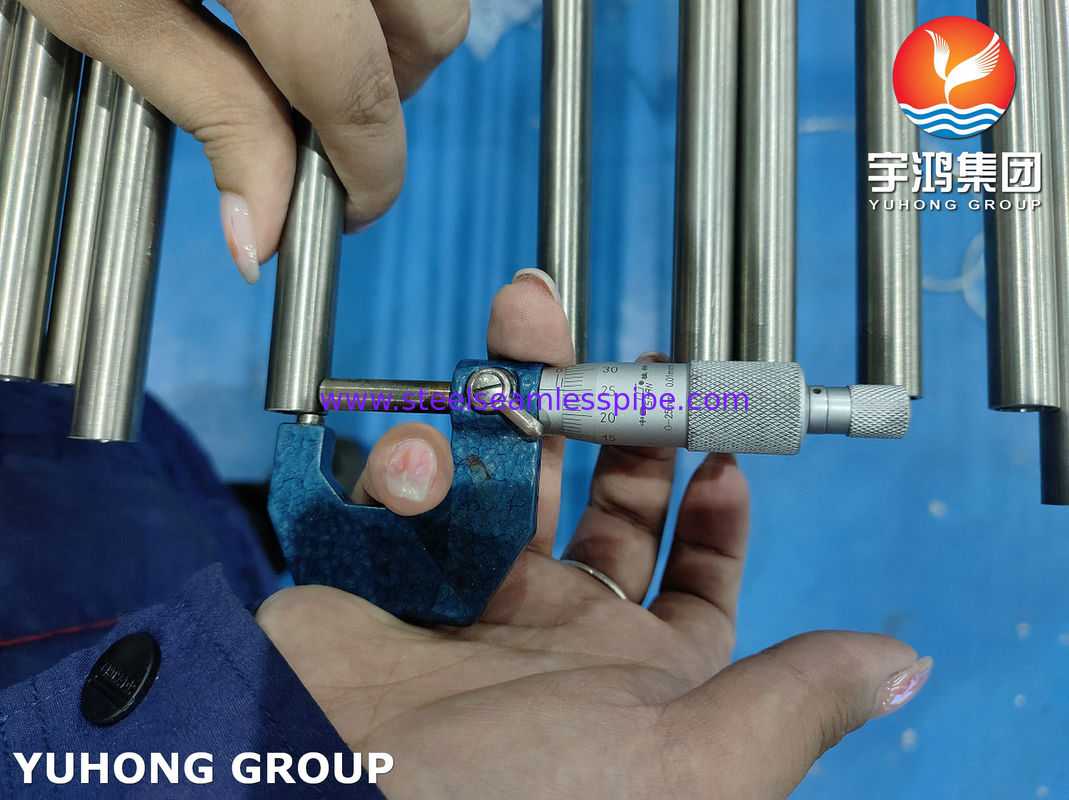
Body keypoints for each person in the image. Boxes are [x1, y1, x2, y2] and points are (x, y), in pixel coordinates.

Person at [2, 3, 930, 796]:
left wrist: (287, 724)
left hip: (147, 620)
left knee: (109, 472)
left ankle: (243, 542)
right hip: (125, 625)